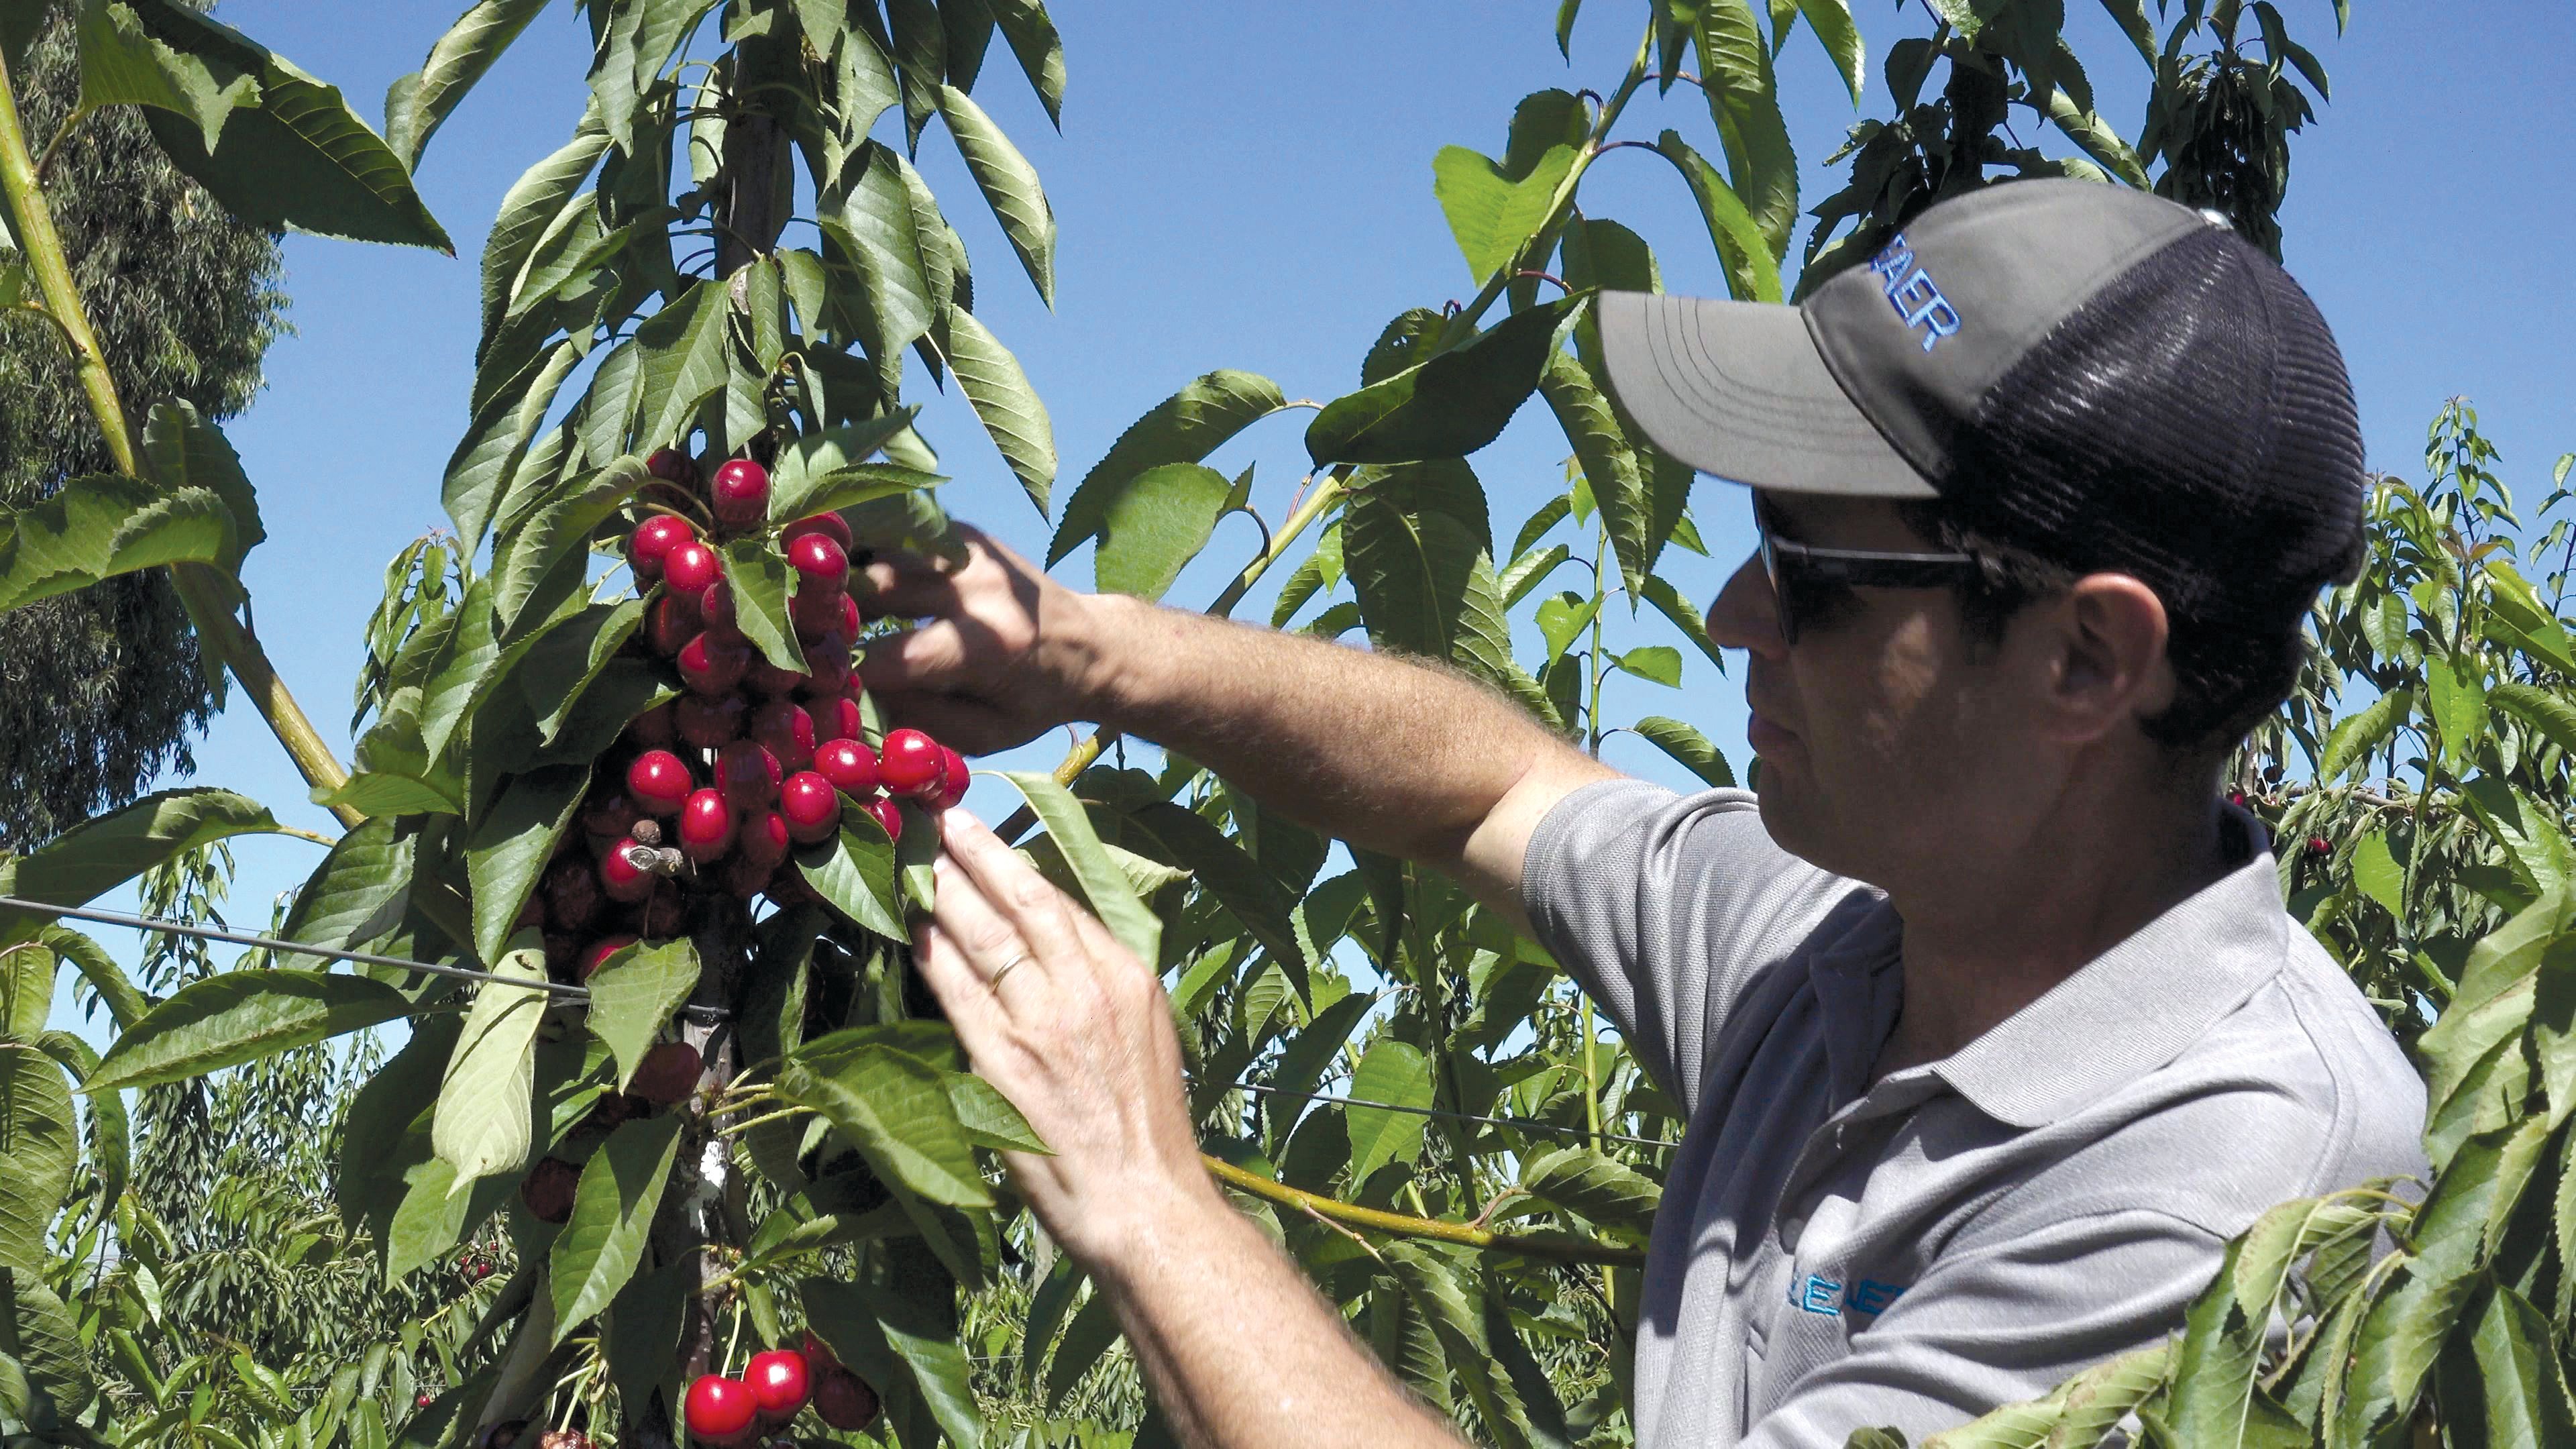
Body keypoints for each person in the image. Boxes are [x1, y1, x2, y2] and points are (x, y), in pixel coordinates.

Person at [857, 179, 2429, 1448]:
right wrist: (1094, 651)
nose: (1732, 611)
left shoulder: (2235, 1188)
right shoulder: (1840, 937)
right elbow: (1499, 784)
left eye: (1812, 570)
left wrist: (1146, 1197)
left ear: (2087, 657)